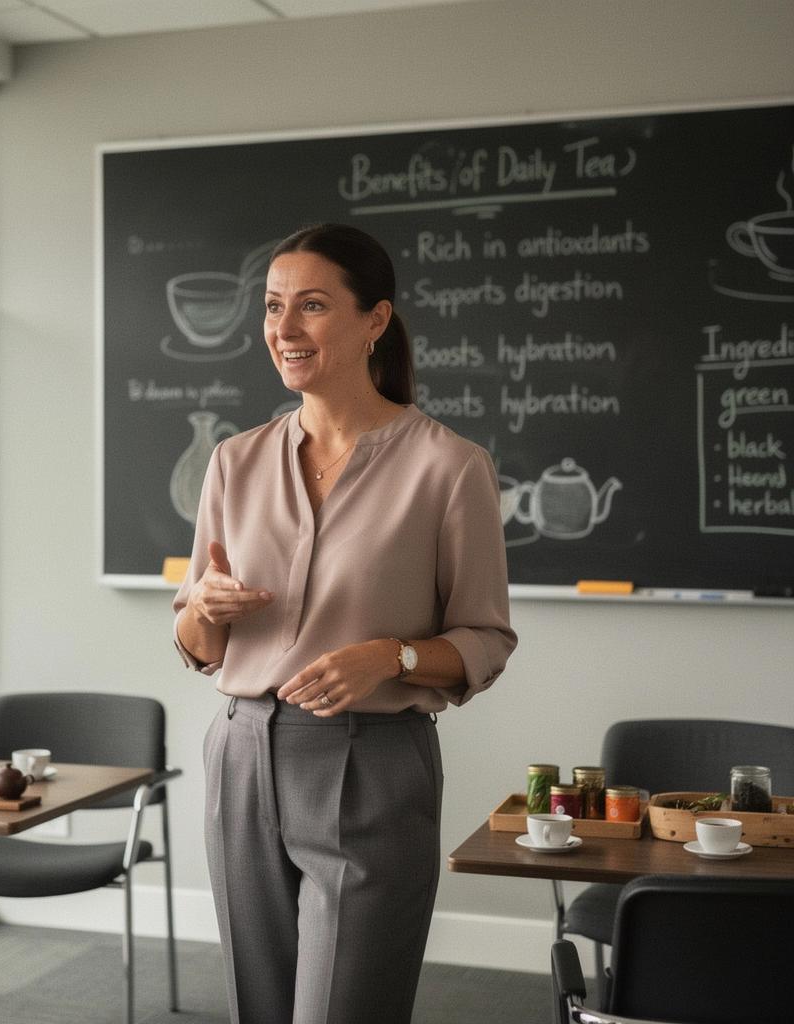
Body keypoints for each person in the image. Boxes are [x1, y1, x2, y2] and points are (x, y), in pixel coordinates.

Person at [173, 223, 516, 1024]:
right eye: (272, 308)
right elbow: (195, 643)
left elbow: (486, 639)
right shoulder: (234, 460)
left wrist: (390, 657)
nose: (284, 331)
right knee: (258, 1006)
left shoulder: (449, 467)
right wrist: (204, 610)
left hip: (369, 762)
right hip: (241, 752)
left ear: (375, 321)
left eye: (313, 307)